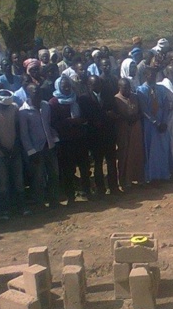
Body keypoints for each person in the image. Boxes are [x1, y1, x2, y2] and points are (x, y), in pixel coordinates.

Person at [0, 89, 29, 217]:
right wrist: (2, 148)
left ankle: (21, 207)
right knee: (2, 184)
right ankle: (5, 210)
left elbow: (18, 127)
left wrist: (15, 145)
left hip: (15, 151)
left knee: (19, 182)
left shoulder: (14, 107)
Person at [19, 83, 60, 209]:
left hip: (49, 145)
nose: (37, 95)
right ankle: (40, 204)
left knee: (54, 174)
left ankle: (54, 201)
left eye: (39, 92)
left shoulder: (46, 106)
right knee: (38, 178)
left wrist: (55, 140)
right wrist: (31, 152)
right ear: (29, 94)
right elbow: (24, 135)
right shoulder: (23, 111)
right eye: (34, 93)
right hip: (36, 149)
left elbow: (49, 125)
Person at [49, 75, 89, 204]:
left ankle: (87, 192)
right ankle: (71, 196)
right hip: (65, 141)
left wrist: (79, 121)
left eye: (68, 85)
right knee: (68, 170)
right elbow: (53, 123)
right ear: (58, 86)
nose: (67, 87)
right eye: (63, 85)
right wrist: (70, 122)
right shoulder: (53, 103)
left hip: (80, 138)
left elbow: (85, 117)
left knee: (84, 167)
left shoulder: (76, 99)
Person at [79, 75, 119, 196]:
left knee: (111, 163)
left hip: (109, 134)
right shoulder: (84, 98)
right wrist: (105, 115)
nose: (96, 86)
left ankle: (114, 187)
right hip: (95, 136)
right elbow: (87, 117)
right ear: (89, 85)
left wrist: (109, 115)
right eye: (93, 84)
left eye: (98, 84)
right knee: (98, 164)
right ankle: (100, 189)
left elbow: (114, 111)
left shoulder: (108, 94)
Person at [137, 67, 172, 182]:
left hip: (162, 121)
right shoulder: (140, 90)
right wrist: (155, 123)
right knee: (151, 150)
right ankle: (152, 176)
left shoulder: (161, 89)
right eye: (151, 75)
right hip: (150, 125)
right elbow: (144, 110)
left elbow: (166, 105)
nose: (153, 77)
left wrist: (164, 121)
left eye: (155, 75)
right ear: (146, 76)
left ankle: (164, 174)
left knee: (163, 148)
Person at [113, 78, 145, 187]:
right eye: (125, 88)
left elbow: (141, 111)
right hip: (123, 130)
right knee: (124, 156)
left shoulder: (134, 97)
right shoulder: (116, 100)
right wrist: (125, 118)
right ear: (119, 87)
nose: (127, 90)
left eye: (129, 87)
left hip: (136, 129)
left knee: (137, 154)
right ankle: (124, 181)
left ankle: (137, 178)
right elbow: (115, 116)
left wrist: (136, 117)